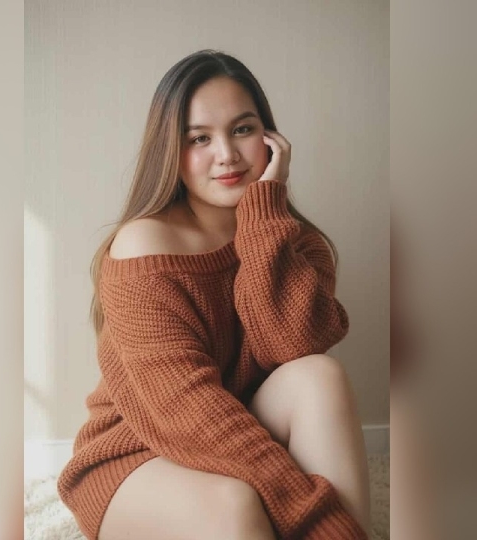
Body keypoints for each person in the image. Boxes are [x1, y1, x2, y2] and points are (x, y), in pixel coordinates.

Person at [57, 49, 371, 540]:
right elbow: (185, 409)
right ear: (171, 151)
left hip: (238, 428)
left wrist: (263, 218)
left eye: (242, 129)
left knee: (319, 375)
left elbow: (291, 347)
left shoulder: (294, 242)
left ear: (270, 139)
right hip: (138, 451)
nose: (227, 154)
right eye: (199, 138)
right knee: (235, 505)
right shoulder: (144, 245)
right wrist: (320, 519)